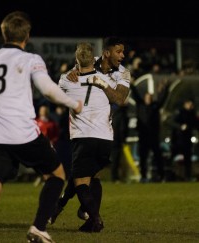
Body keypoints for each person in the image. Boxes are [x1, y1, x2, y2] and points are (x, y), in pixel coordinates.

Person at [0, 11, 82, 243]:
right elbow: (47, 89)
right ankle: (38, 228)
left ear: (3, 33)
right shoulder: (30, 59)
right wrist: (73, 104)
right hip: (23, 135)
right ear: (27, 36)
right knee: (57, 175)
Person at [49, 39, 130, 232]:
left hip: (96, 130)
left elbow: (119, 99)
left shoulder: (123, 73)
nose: (123, 56)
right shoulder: (89, 62)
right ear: (107, 53)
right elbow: (81, 65)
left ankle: (80, 212)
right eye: (119, 52)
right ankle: (75, 213)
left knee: (81, 178)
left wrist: (100, 83)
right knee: (90, 176)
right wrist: (74, 70)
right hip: (99, 133)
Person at [130, 79, 170, 182]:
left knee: (158, 156)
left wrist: (165, 88)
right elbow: (135, 95)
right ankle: (143, 176)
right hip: (143, 136)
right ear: (145, 98)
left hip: (153, 136)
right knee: (143, 157)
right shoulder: (140, 105)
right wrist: (132, 84)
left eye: (150, 97)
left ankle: (161, 176)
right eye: (147, 97)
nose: (149, 99)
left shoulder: (155, 106)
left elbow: (163, 98)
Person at [167, 98, 199, 181]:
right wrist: (180, 127)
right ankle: (170, 175)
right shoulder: (179, 112)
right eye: (189, 104)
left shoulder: (192, 113)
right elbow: (171, 122)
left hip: (187, 140)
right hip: (178, 140)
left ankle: (187, 176)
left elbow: (196, 124)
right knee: (173, 157)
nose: (190, 106)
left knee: (187, 159)